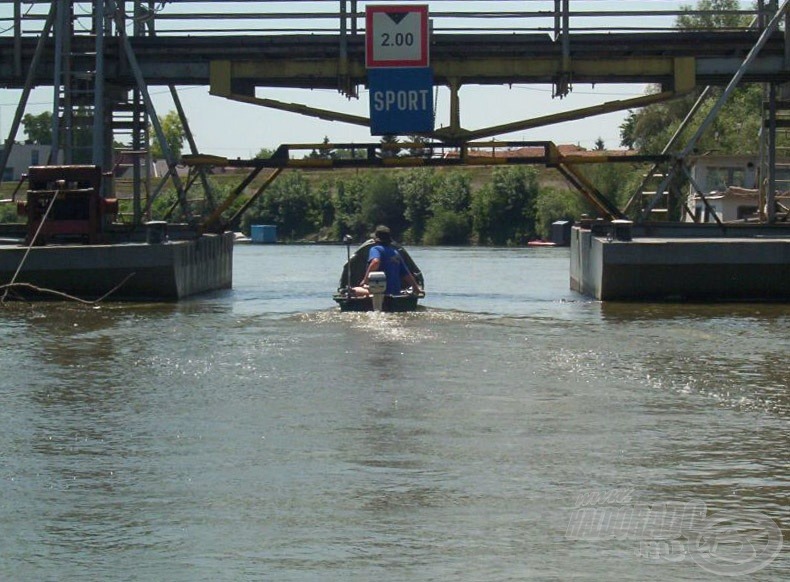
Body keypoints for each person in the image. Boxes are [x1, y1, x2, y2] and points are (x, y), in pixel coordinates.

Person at [352, 225, 422, 297]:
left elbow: (375, 262)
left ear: (376, 239)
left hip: (379, 293)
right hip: (395, 293)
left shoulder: (376, 249)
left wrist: (365, 280)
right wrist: (416, 288)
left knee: (351, 291)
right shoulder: (396, 252)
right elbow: (407, 274)